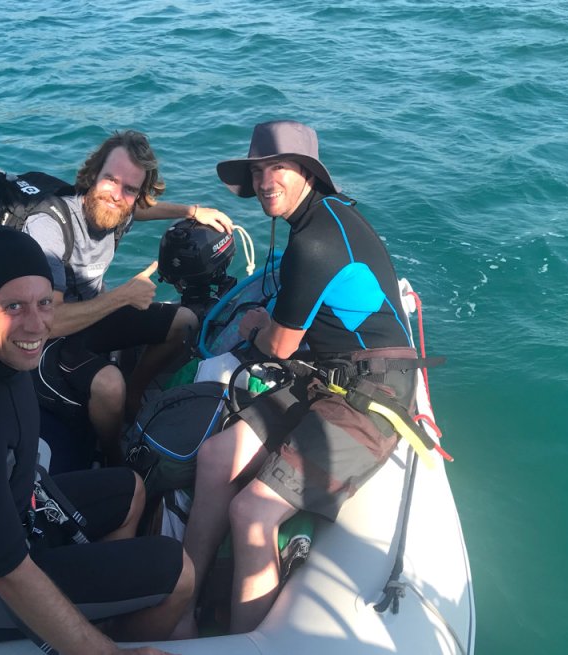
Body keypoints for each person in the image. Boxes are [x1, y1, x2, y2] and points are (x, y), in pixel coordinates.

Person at [0, 227, 194, 654]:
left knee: (130, 490)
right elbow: (7, 570)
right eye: (13, 306)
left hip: (16, 523)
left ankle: (107, 615)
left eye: (44, 303)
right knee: (180, 574)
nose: (35, 324)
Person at [171, 120, 421, 637]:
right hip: (327, 377)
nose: (265, 181)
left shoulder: (315, 242)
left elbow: (279, 345)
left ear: (307, 172)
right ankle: (181, 606)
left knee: (252, 514)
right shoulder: (326, 217)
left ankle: (244, 642)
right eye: (258, 171)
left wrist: (260, 326)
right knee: (216, 456)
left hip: (372, 395)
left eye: (278, 168)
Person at [23, 130, 233, 465]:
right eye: (110, 179)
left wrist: (193, 210)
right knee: (110, 386)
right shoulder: (50, 227)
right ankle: (110, 453)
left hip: (93, 315)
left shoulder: (118, 212)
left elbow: (141, 210)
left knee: (184, 323)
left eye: (130, 189)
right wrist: (122, 296)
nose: (116, 195)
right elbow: (47, 322)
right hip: (46, 339)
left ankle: (134, 396)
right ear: (93, 176)